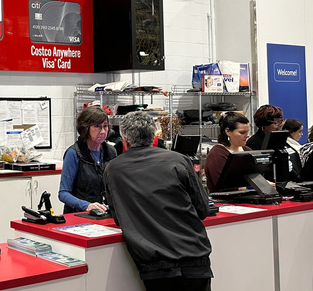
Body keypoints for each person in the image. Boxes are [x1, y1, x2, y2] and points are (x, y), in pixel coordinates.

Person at [104, 112, 213, 291]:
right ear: (154, 135)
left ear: (125, 139)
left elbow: (118, 217)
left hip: (154, 263)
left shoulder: (113, 169)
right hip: (194, 256)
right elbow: (202, 209)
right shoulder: (178, 160)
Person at [58, 106, 116, 213]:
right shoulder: (74, 153)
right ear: (86, 128)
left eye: (106, 126)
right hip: (79, 214)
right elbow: (63, 193)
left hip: (105, 213)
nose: (103, 131)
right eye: (97, 126)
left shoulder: (111, 152)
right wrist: (86, 205)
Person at [204, 111, 251, 192]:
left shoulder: (248, 150)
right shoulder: (217, 154)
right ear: (228, 131)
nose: (247, 135)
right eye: (242, 132)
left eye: (247, 132)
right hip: (224, 202)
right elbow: (223, 186)